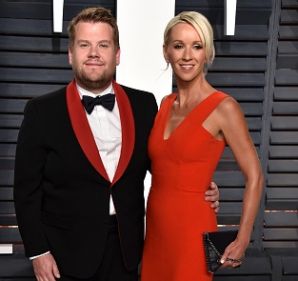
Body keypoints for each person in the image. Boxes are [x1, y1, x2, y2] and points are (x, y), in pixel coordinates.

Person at [13, 7, 220, 281]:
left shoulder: (144, 105)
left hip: (127, 252)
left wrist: (199, 186)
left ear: (117, 54)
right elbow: (25, 190)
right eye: (84, 45)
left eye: (103, 45)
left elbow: (160, 163)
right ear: (71, 54)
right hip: (64, 255)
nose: (94, 53)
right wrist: (38, 252)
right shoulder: (41, 111)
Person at [141, 11, 264, 281]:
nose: (187, 55)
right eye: (178, 46)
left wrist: (243, 239)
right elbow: (165, 165)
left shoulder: (224, 107)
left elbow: (254, 176)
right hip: (156, 233)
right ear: (166, 52)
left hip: (192, 230)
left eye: (197, 46)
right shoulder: (163, 105)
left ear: (207, 53)